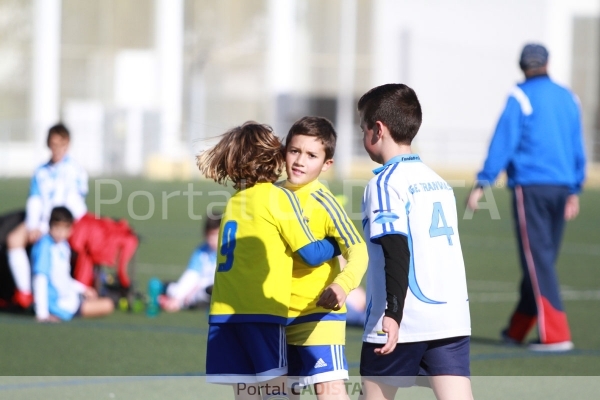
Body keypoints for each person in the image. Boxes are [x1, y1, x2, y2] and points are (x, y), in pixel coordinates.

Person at [197, 121, 341, 399]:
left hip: (224, 315)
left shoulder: (234, 202)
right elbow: (310, 254)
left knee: (247, 394)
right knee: (278, 392)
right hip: (260, 312)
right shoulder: (278, 197)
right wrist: (336, 244)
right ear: (271, 155)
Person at [467, 43, 586, 352]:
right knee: (541, 259)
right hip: (561, 188)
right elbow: (577, 145)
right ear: (547, 63)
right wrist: (575, 189)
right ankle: (517, 330)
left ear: (522, 65)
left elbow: (504, 141)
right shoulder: (568, 97)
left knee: (538, 260)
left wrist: (483, 182)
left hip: (532, 187)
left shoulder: (519, 96)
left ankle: (557, 335)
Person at [357, 84, 473, 400]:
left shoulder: (384, 183)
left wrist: (392, 314)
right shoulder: (438, 182)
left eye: (362, 128)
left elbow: (396, 249)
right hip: (451, 319)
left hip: (402, 320)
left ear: (377, 130)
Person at [281, 116, 368, 399]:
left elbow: (358, 250)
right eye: (294, 151)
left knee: (329, 390)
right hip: (275, 315)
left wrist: (342, 285)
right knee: (280, 392)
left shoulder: (323, 201)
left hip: (318, 313)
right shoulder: (273, 195)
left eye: (311, 155)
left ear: (326, 164)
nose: (300, 161)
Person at [4, 123, 88, 309]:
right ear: (48, 144)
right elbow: (34, 200)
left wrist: (57, 226)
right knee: (13, 239)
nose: (57, 149)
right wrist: (34, 225)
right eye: (53, 144)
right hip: (42, 222)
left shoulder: (75, 170)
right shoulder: (40, 171)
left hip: (62, 223)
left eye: (61, 144)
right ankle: (24, 292)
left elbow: (76, 204)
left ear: (67, 144)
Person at [32, 206, 114, 322]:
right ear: (50, 226)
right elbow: (40, 279)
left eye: (64, 228)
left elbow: (63, 278)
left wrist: (83, 289)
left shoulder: (63, 246)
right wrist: (42, 314)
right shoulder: (45, 246)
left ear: (71, 229)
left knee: (101, 299)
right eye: (57, 228)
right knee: (108, 305)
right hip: (58, 306)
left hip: (69, 299)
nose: (60, 233)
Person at [159, 215, 221, 312]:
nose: (213, 239)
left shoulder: (230, 251)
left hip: (218, 290)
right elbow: (192, 275)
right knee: (171, 288)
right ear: (205, 234)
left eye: (217, 234)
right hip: (201, 290)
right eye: (210, 235)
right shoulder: (201, 252)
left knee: (212, 290)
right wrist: (177, 299)